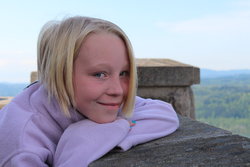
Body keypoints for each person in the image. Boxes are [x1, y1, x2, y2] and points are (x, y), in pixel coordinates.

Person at [0, 16, 179, 167]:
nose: (118, 90)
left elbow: (163, 113)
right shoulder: (21, 145)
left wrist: (91, 134)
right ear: (58, 73)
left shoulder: (89, 101)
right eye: (100, 74)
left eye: (124, 73)